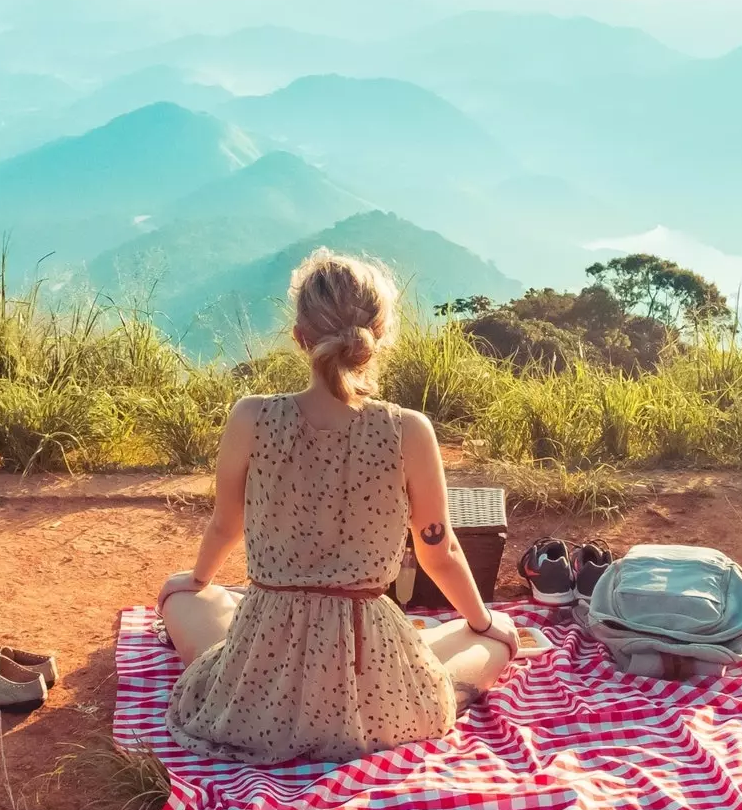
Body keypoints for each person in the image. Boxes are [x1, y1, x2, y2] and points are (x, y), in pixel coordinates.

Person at [156, 249, 520, 765]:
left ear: (300, 337)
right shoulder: (408, 429)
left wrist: (196, 578)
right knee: (493, 638)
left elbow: (225, 525)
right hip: (370, 670)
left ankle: (231, 641)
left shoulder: (250, 418)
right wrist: (485, 622)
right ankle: (456, 645)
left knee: (185, 599)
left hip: (264, 666)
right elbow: (440, 552)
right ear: (378, 336)